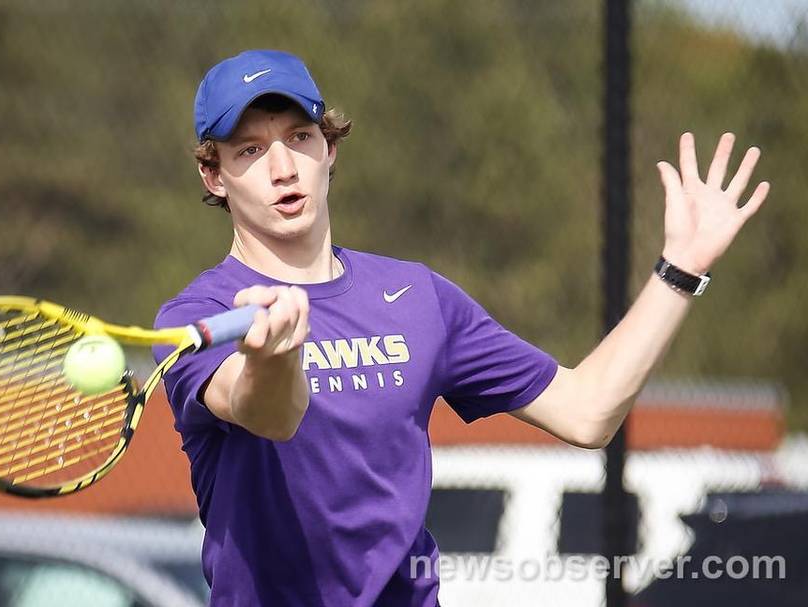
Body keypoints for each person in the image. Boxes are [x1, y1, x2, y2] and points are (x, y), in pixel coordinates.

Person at [152, 49, 769, 606]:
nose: (283, 167)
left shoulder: (417, 298)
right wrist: (275, 354)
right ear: (214, 175)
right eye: (250, 150)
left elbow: (588, 411)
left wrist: (680, 269)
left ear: (329, 147)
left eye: (300, 136)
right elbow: (268, 414)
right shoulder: (197, 316)